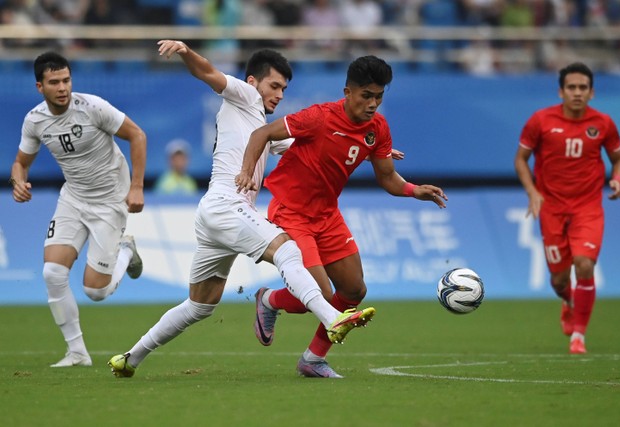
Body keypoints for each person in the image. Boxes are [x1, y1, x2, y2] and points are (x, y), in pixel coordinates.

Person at [107, 40, 375, 378]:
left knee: (200, 305)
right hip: (226, 205)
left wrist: (363, 146)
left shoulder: (263, 126)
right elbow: (207, 72)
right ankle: (332, 318)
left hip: (215, 215)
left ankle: (131, 357)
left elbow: (313, 145)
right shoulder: (244, 95)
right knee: (287, 251)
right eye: (274, 85)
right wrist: (185, 52)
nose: (279, 94)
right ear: (253, 82)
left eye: (284, 88)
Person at [236, 55, 447, 378]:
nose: (373, 103)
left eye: (379, 96)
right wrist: (247, 174)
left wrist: (413, 190)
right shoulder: (318, 117)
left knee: (353, 290)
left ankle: (313, 358)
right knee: (317, 294)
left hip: (327, 215)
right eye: (366, 95)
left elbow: (387, 176)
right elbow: (261, 134)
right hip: (291, 211)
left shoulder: (377, 128)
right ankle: (270, 300)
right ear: (347, 91)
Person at [9, 51, 146, 367]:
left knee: (94, 292)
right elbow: (20, 162)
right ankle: (77, 353)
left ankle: (126, 251)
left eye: (66, 80)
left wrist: (136, 186)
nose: (62, 87)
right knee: (52, 272)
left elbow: (137, 135)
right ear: (39, 87)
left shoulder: (93, 107)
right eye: (54, 82)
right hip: (73, 198)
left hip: (110, 199)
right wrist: (19, 180)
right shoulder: (35, 120)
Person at [514, 62, 620, 355]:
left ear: (592, 92)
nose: (577, 93)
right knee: (560, 279)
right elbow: (520, 160)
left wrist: (616, 180)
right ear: (561, 91)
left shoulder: (603, 124)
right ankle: (567, 300)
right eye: (572, 88)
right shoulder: (540, 120)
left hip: (588, 207)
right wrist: (532, 191)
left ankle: (579, 335)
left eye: (583, 88)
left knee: (585, 264)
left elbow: (618, 160)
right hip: (551, 207)